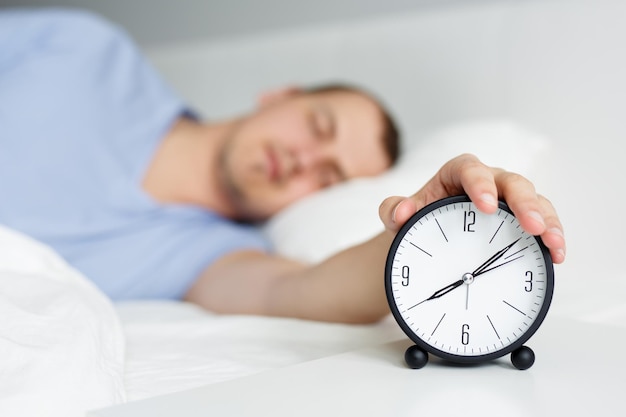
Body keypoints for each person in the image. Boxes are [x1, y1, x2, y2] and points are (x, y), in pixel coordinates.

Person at [0, 9, 566, 324]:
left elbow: (304, 293)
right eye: (319, 127)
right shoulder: (86, 50)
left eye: (329, 178)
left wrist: (428, 224)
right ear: (280, 95)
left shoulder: (213, 256)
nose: (305, 159)